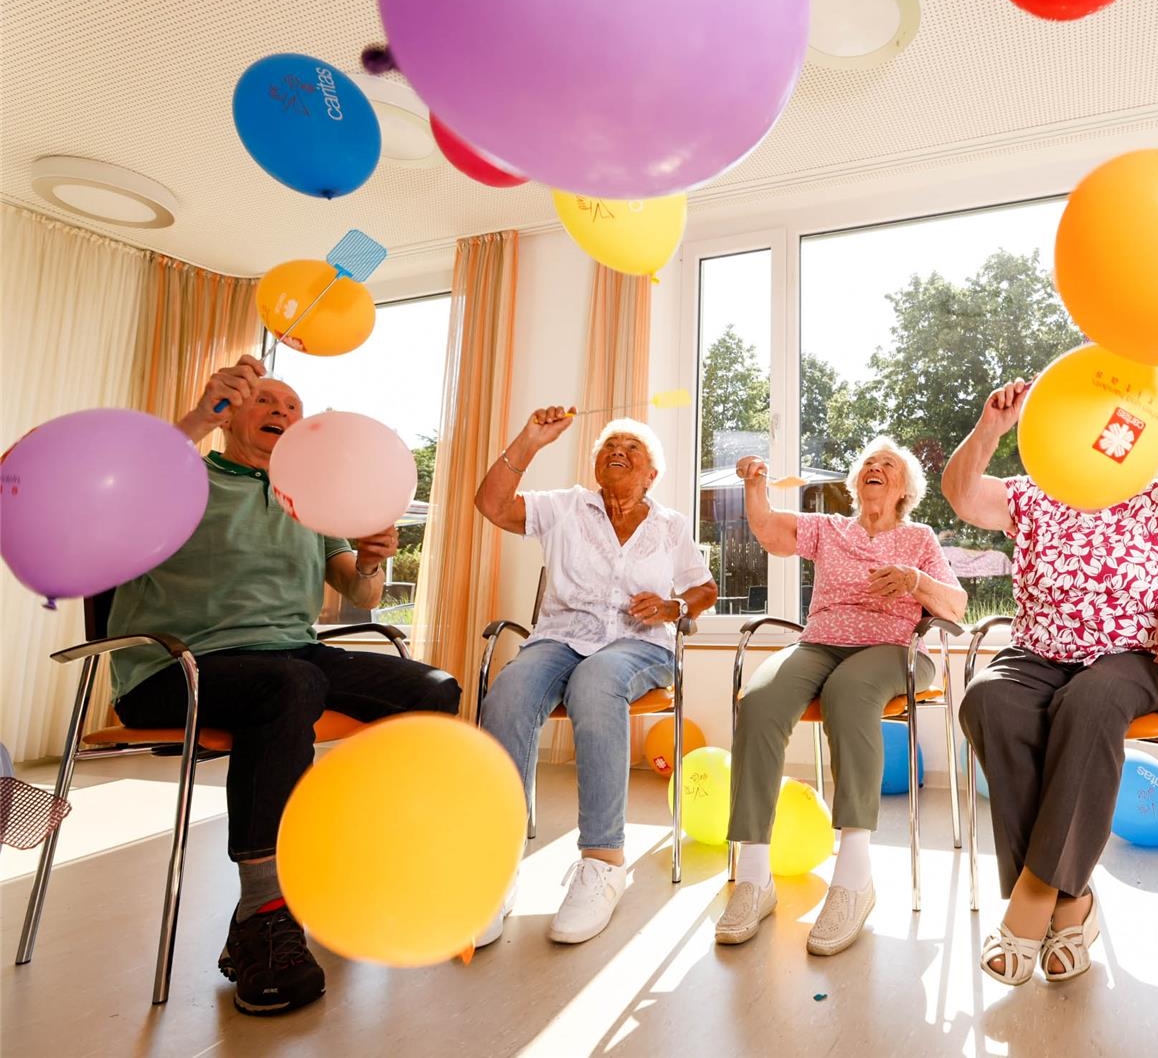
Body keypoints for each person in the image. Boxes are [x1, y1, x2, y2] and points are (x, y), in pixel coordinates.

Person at [108, 355, 460, 1016]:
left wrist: (374, 563)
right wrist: (194, 418)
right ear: (228, 411)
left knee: (435, 690)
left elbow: (356, 592)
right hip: (174, 667)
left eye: (294, 408)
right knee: (291, 685)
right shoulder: (181, 475)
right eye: (265, 400)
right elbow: (120, 483)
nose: (283, 414)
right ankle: (264, 913)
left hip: (288, 657)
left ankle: (347, 867)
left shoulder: (312, 498)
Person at [944, 380, 1158, 986]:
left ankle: (1032, 905)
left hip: (1140, 657)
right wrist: (990, 428)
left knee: (1090, 700)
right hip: (1040, 654)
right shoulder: (1033, 496)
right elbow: (961, 495)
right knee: (987, 698)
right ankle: (1074, 905)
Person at [714, 438, 968, 956]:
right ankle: (755, 876)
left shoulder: (918, 537)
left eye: (888, 466)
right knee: (759, 700)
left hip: (895, 648)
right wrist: (754, 487)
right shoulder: (829, 529)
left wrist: (914, 580)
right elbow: (770, 530)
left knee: (849, 692)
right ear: (854, 484)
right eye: (868, 464)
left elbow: (956, 607)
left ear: (903, 489)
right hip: (820, 643)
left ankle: (854, 877)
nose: (875, 468)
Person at [474, 408, 715, 949]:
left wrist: (673, 605)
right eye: (610, 445)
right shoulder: (564, 508)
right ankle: (497, 863)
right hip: (559, 637)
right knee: (509, 692)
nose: (619, 451)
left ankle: (603, 861)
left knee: (597, 680)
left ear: (652, 474)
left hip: (640, 645)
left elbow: (705, 589)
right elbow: (491, 505)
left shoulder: (671, 526)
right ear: (596, 463)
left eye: (634, 448)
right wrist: (530, 438)